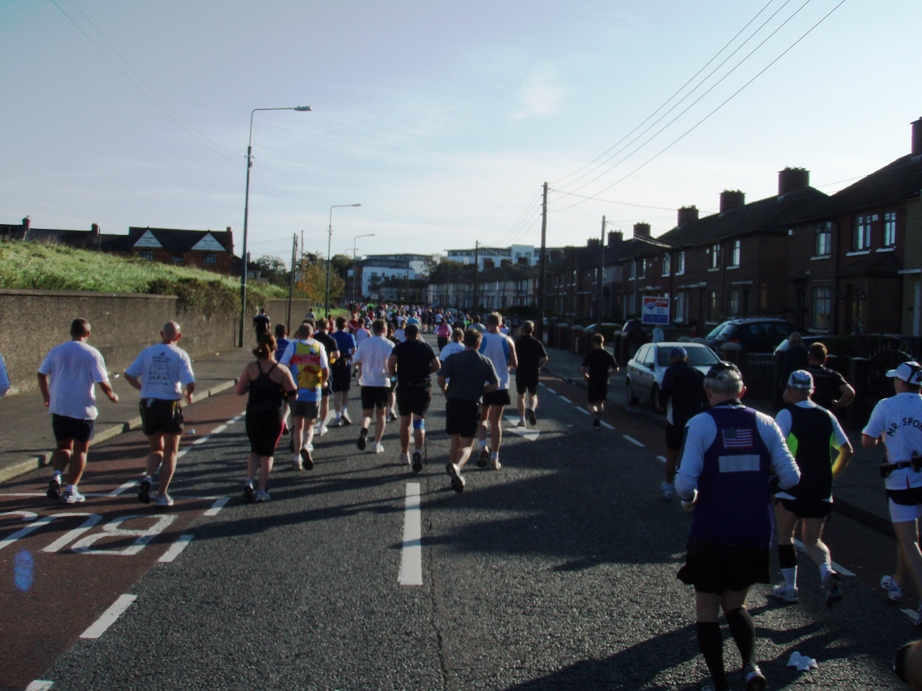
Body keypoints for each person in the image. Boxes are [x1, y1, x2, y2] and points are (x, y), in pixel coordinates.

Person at [675, 361, 800, 691]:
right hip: (754, 531)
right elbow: (791, 477)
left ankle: (719, 684)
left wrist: (694, 496)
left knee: (707, 609)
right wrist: (760, 485)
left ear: (709, 391)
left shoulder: (701, 424)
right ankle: (750, 667)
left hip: (712, 531)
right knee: (735, 604)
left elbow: (684, 485)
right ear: (742, 391)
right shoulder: (765, 423)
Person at [769, 370, 853, 607]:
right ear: (811, 391)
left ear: (793, 390)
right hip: (821, 488)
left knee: (785, 537)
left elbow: (774, 446)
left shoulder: (786, 415)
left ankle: (789, 588)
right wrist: (831, 476)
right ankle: (827, 573)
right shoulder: (827, 415)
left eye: (788, 388)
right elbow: (847, 451)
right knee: (813, 541)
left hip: (792, 487)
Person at [862, 361, 922, 621]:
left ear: (900, 382)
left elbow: (867, 441)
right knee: (910, 537)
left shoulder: (887, 405)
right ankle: (897, 582)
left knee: (909, 542)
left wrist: (884, 438)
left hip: (902, 479)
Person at [38, 318, 119, 504]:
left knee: (63, 446)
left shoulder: (57, 350)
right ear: (88, 334)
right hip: (82, 409)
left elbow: (41, 373)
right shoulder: (92, 354)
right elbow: (102, 381)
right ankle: (71, 489)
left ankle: (57, 475)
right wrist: (111, 395)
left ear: (70, 331)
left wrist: (47, 396)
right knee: (80, 451)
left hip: (59, 407)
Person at [125, 321, 196, 508]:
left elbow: (129, 374)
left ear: (161, 334)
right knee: (170, 451)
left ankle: (148, 477)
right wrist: (189, 394)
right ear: (178, 337)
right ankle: (162, 494)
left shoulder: (147, 352)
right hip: (169, 404)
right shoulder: (180, 355)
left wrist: (143, 388)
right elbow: (190, 381)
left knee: (155, 447)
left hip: (148, 403)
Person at [235, 333, 297, 502]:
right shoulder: (281, 370)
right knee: (268, 453)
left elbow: (239, 390)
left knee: (255, 449)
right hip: (273, 415)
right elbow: (293, 393)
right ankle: (261, 490)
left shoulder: (251, 367)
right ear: (275, 348)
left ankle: (249, 480)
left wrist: (251, 385)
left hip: (254, 414)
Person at [438, 329, 499, 492]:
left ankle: (452, 473)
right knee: (467, 445)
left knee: (454, 441)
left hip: (453, 401)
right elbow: (495, 384)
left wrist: (445, 390)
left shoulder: (453, 358)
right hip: (472, 403)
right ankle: (457, 467)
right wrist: (482, 391)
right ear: (479, 344)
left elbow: (440, 377)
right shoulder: (485, 362)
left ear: (464, 341)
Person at [388, 323, 439, 472]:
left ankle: (405, 454)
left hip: (405, 386)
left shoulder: (400, 347)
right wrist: (426, 371)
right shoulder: (426, 346)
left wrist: (394, 373)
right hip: (422, 386)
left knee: (405, 421)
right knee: (419, 421)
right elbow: (437, 365)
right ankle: (417, 451)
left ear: (405, 334)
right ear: (418, 334)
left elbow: (391, 361)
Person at [658, 345, 707, 499]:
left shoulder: (671, 371)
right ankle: (695, 489)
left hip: (675, 420)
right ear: (686, 359)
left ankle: (668, 487)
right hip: (694, 421)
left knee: (672, 455)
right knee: (695, 456)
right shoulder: (697, 374)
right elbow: (706, 397)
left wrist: (661, 405)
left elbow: (666, 390)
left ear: (672, 359)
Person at [279, 322, 329, 471]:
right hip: (313, 393)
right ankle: (307, 446)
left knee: (297, 426)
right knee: (309, 425)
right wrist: (323, 382)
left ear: (299, 334)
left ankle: (297, 458)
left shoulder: (293, 346)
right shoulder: (319, 346)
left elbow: (282, 366)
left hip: (295, 393)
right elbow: (326, 370)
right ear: (312, 334)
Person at [475, 312, 517, 470]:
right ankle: (495, 457)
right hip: (500, 385)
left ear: (487, 323)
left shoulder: (481, 339)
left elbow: (475, 358)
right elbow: (515, 363)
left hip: (483, 385)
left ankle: (482, 446)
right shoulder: (508, 340)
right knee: (496, 422)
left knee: (482, 419)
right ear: (501, 324)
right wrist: (506, 367)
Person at [352, 319, 394, 454]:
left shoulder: (364, 343)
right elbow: (391, 363)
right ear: (384, 329)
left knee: (367, 413)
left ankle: (364, 429)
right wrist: (391, 373)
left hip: (367, 382)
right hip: (382, 382)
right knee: (381, 414)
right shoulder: (389, 344)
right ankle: (376, 443)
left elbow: (355, 360)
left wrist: (364, 364)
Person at [803, 342, 855, 415]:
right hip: (825, 413)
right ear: (825, 359)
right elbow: (849, 393)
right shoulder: (832, 375)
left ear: (808, 357)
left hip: (804, 412)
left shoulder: (802, 373)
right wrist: (838, 404)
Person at [514, 320, 548, 427]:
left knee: (521, 395)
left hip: (521, 371)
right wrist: (539, 365)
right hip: (533, 371)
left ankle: (522, 420)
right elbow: (545, 358)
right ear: (533, 330)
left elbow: (512, 357)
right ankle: (532, 409)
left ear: (522, 329)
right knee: (533, 394)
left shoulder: (518, 342)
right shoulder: (536, 342)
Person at [580, 334, 618, 429]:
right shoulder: (608, 355)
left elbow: (583, 368)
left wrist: (585, 375)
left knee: (590, 404)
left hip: (593, 381)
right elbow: (616, 368)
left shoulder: (591, 354)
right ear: (603, 342)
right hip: (604, 382)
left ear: (593, 342)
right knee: (600, 403)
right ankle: (598, 419)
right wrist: (610, 371)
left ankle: (595, 413)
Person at [312, 318, 340, 437]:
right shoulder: (331, 339)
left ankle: (311, 423)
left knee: (313, 399)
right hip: (325, 369)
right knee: (325, 399)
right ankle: (321, 425)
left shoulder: (313, 338)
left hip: (312, 369)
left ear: (317, 327)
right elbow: (337, 355)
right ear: (328, 327)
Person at [329, 316, 357, 427]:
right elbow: (354, 350)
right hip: (345, 364)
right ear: (345, 325)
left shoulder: (331, 336)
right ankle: (344, 411)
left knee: (336, 392)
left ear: (336, 325)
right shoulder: (349, 336)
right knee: (345, 390)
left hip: (334, 364)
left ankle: (337, 416)